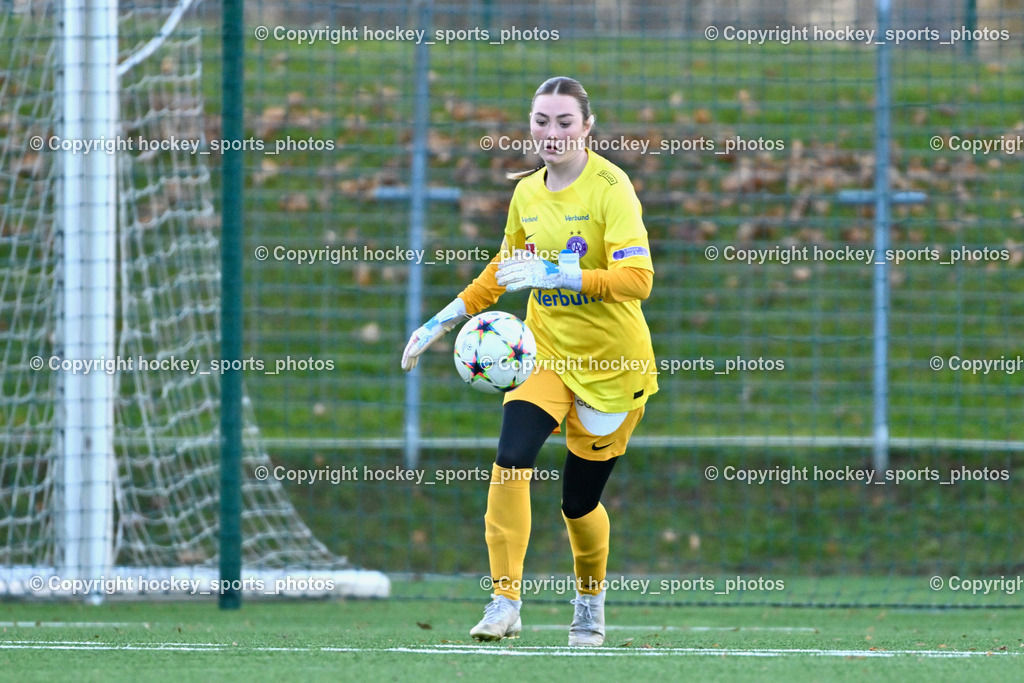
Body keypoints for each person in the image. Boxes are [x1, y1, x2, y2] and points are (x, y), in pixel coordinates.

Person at [401, 76, 657, 647]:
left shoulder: (612, 187)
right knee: (511, 457)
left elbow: (638, 279)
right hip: (543, 355)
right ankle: (505, 602)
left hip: (613, 368)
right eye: (542, 121)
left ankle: (589, 599)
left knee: (578, 503)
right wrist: (440, 321)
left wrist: (565, 275)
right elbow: (503, 268)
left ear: (587, 127)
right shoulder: (527, 193)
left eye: (565, 122)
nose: (552, 133)